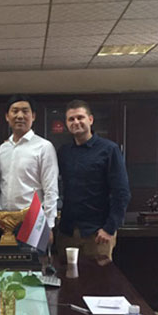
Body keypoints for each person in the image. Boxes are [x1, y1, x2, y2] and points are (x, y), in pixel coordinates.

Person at [57, 99, 131, 260]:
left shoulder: (109, 149)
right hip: (67, 232)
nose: (76, 122)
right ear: (67, 124)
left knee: (99, 275)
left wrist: (110, 228)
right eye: (71, 119)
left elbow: (121, 193)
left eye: (80, 117)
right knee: (66, 275)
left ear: (90, 119)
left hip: (98, 233)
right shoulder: (64, 152)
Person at [0, 94, 58, 239]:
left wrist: (49, 225)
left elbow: (51, 190)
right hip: (3, 221)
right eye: (15, 111)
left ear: (33, 116)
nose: (20, 116)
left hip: (32, 221)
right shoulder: (3, 149)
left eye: (25, 111)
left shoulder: (44, 147)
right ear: (7, 116)